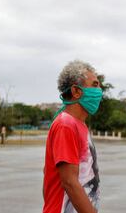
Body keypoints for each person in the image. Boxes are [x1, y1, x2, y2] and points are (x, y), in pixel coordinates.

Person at [43, 60, 103, 213]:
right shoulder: (66, 124)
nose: (100, 91)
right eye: (95, 85)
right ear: (76, 91)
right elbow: (69, 181)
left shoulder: (78, 124)